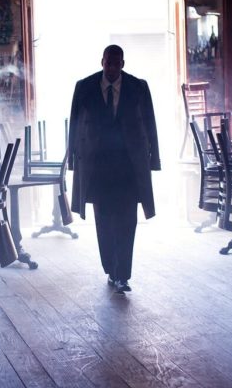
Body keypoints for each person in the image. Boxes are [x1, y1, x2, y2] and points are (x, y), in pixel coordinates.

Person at [67, 44, 161, 293]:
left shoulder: (138, 87)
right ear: (102, 62)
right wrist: (73, 160)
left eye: (116, 63)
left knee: (128, 221)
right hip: (97, 166)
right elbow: (75, 124)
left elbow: (150, 123)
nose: (111, 68)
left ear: (122, 64)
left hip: (129, 166)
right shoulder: (84, 87)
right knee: (104, 221)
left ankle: (123, 275)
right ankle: (110, 267)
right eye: (108, 63)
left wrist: (154, 160)